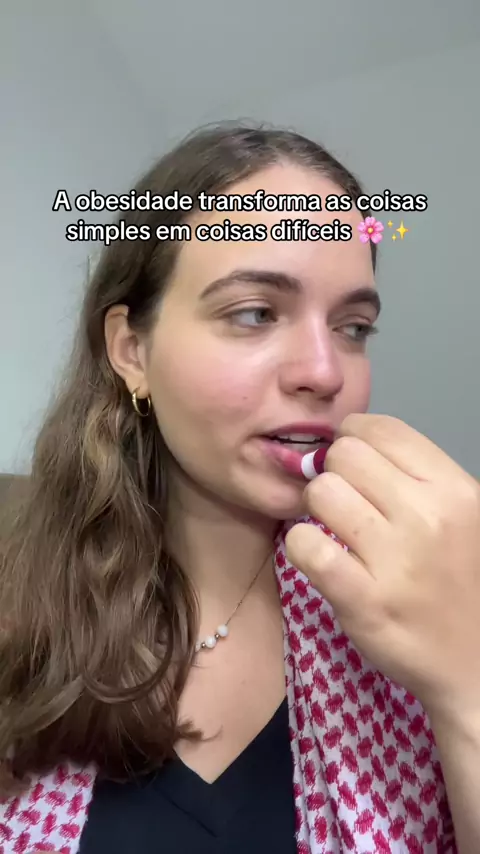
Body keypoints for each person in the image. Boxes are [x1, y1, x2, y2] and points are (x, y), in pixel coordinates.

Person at [1, 123, 479, 854]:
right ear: (131, 351)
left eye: (353, 327)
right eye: (255, 313)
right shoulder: (20, 612)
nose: (325, 372)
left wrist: (467, 683)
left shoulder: (427, 594)